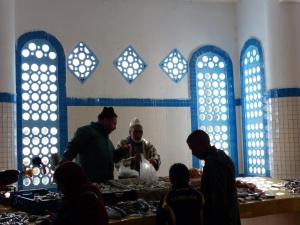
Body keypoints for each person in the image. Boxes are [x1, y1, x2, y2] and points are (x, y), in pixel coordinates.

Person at [186, 130, 241, 225]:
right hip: (230, 214)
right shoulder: (222, 156)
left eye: (193, 148)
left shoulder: (213, 164)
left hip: (222, 218)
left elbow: (217, 198)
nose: (193, 153)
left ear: (201, 145)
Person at [62, 107, 128, 183]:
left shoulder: (107, 141)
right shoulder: (87, 132)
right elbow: (72, 149)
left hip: (105, 185)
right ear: (105, 120)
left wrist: (122, 151)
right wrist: (62, 172)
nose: (115, 127)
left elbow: (112, 158)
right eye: (114, 123)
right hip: (89, 184)